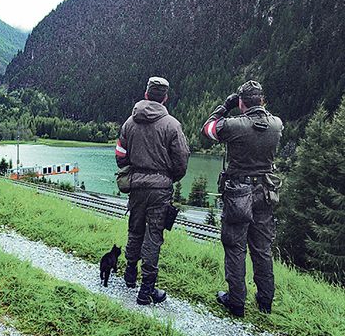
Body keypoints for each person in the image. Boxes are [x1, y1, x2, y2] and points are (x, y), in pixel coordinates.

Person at [202, 80, 283, 317]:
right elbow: (265, 120)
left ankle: (236, 302)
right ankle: (265, 301)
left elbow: (207, 129)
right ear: (261, 101)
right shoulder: (276, 125)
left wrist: (225, 107)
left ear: (241, 102)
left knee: (236, 247)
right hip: (265, 194)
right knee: (262, 248)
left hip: (238, 193)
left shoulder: (234, 126)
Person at [116, 77, 190, 305]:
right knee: (154, 235)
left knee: (135, 229)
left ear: (147, 94)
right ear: (165, 97)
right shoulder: (172, 125)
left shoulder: (130, 122)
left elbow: (120, 156)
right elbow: (182, 159)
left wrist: (135, 169)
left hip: (136, 185)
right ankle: (146, 289)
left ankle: (130, 274)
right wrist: (169, 178)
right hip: (161, 189)